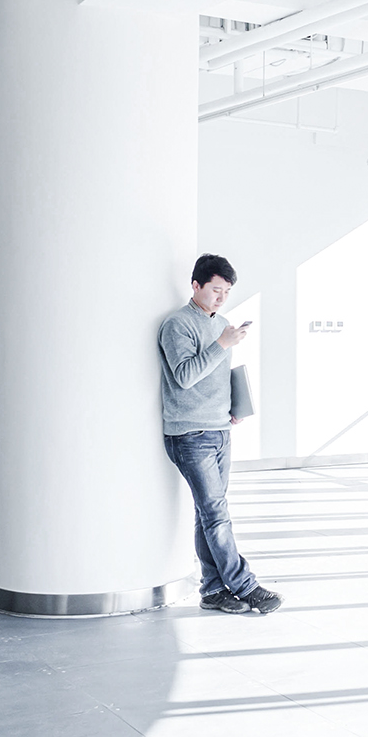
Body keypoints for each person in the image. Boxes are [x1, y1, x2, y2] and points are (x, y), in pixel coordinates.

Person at [157, 254, 282, 615]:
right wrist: (222, 344)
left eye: (226, 292)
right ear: (195, 286)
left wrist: (233, 404)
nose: (221, 298)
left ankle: (213, 591)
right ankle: (247, 586)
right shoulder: (177, 325)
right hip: (189, 434)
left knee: (207, 514)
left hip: (219, 429)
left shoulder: (223, 324)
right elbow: (184, 376)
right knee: (215, 513)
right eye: (215, 290)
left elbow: (214, 374)